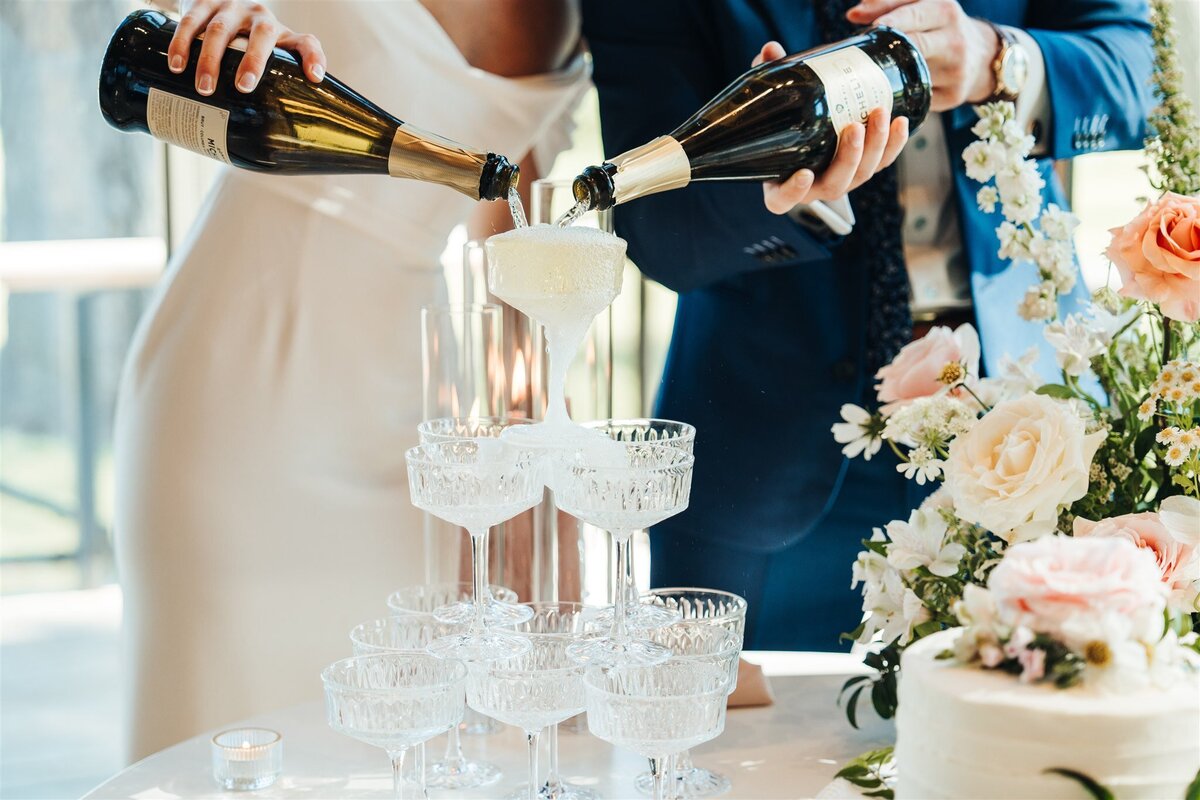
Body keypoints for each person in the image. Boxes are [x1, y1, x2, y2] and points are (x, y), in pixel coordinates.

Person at [582, 0, 1154, 650]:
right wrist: (779, 183)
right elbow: (659, 231)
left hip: (1028, 439)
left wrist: (999, 60)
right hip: (766, 463)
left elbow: (1139, 64)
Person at [114, 0, 587, 760]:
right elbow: (156, 28)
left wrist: (538, 440)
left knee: (403, 744)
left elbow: (509, 222)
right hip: (243, 382)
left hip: (415, 416)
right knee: (230, 731)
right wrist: (210, 21)